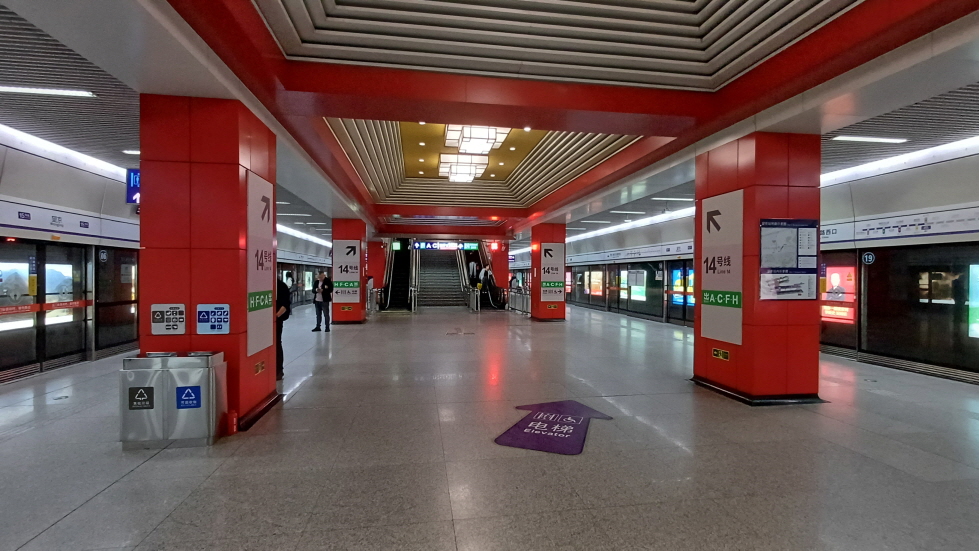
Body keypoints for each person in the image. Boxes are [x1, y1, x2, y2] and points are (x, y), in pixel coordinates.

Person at [275, 277, 291, 382]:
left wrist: (276, 317)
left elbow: (285, 305)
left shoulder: (281, 286)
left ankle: (278, 371)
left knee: (277, 343)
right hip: (264, 321)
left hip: (277, 321)